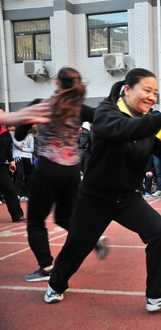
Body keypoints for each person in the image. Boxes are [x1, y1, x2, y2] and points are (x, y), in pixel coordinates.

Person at [45, 68, 161, 312]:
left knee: (159, 232)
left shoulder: (151, 118)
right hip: (95, 197)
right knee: (78, 246)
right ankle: (56, 284)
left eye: (155, 92)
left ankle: (158, 293)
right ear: (127, 90)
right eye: (146, 90)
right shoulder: (107, 112)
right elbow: (125, 130)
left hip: (127, 197)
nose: (151, 96)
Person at [14, 68, 107, 283]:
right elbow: (102, 119)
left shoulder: (41, 104)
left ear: (57, 82)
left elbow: (19, 134)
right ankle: (94, 239)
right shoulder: (80, 109)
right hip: (72, 169)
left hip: (47, 166)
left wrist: (32, 123)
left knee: (36, 220)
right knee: (64, 216)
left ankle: (46, 266)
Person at [0, 123, 27, 223]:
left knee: (10, 189)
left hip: (1, 167)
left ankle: (17, 215)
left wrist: (11, 161)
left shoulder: (5, 133)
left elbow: (7, 150)